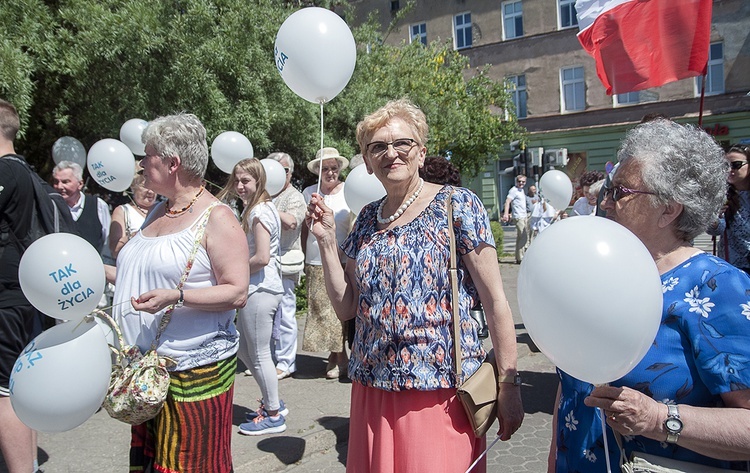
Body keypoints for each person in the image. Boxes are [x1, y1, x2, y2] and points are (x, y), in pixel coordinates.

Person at [305, 98, 524, 472]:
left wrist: (510, 385)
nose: (391, 153)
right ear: (369, 162)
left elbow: (495, 301)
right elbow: (346, 308)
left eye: (402, 143)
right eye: (378, 147)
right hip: (372, 389)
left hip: (440, 392)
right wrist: (326, 241)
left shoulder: (458, 206)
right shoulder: (367, 220)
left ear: (421, 153)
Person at [549, 119, 750, 472]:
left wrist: (659, 419)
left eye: (621, 192)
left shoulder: (717, 287)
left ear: (669, 209)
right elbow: (571, 391)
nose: (605, 203)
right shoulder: (596, 274)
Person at [110, 113, 249, 473]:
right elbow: (140, 271)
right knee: (154, 462)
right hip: (146, 371)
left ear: (173, 163)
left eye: (148, 155)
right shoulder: (159, 208)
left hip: (192, 373)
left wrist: (177, 296)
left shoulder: (218, 218)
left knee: (188, 465)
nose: (141, 164)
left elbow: (237, 292)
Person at [218, 158, 289, 435]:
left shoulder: (259, 211)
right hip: (259, 288)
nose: (239, 186)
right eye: (236, 180)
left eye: (245, 181)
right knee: (247, 351)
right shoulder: (260, 207)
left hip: (261, 289)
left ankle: (273, 414)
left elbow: (261, 257)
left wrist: (231, 270)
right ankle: (273, 402)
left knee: (259, 355)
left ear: (258, 181)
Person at [0, 99, 43, 473]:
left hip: (6, 293)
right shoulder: (27, 171)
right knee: (16, 384)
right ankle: (28, 464)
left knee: (4, 392)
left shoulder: (6, 171)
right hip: (22, 288)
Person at [301, 147, 351, 379]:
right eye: (325, 169)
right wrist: (303, 255)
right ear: (318, 172)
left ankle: (341, 358)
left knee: (338, 311)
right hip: (314, 258)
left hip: (340, 258)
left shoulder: (348, 191)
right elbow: (305, 227)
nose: (330, 173)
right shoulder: (309, 192)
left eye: (334, 168)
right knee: (322, 311)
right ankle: (335, 355)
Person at [267, 152, 306, 380]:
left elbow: (292, 221)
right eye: (274, 169)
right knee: (267, 314)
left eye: (284, 170)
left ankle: (286, 362)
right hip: (263, 262)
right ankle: (270, 358)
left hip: (285, 262)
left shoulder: (294, 196)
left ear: (290, 173)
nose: (279, 175)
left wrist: (265, 208)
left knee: (285, 313)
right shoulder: (264, 195)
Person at [52, 161, 112, 255]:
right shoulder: (51, 207)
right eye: (56, 182)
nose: (59, 186)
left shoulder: (98, 206)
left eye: (65, 182)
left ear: (80, 184)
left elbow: (107, 242)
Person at [707, 144, 750, 274]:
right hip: (732, 266)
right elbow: (716, 231)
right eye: (726, 166)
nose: (729, 170)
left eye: (736, 165)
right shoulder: (722, 194)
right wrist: (715, 217)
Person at [108, 165, 158, 259]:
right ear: (133, 188)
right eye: (145, 186)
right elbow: (114, 250)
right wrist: (136, 235)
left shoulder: (162, 209)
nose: (150, 191)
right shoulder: (123, 211)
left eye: (154, 186)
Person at [501, 174, 528, 264]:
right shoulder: (513, 190)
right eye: (519, 181)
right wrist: (506, 213)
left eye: (523, 182)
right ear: (516, 181)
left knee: (520, 237)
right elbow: (507, 201)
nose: (521, 183)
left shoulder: (521, 190)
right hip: (518, 216)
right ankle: (521, 257)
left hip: (523, 215)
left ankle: (518, 257)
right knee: (524, 236)